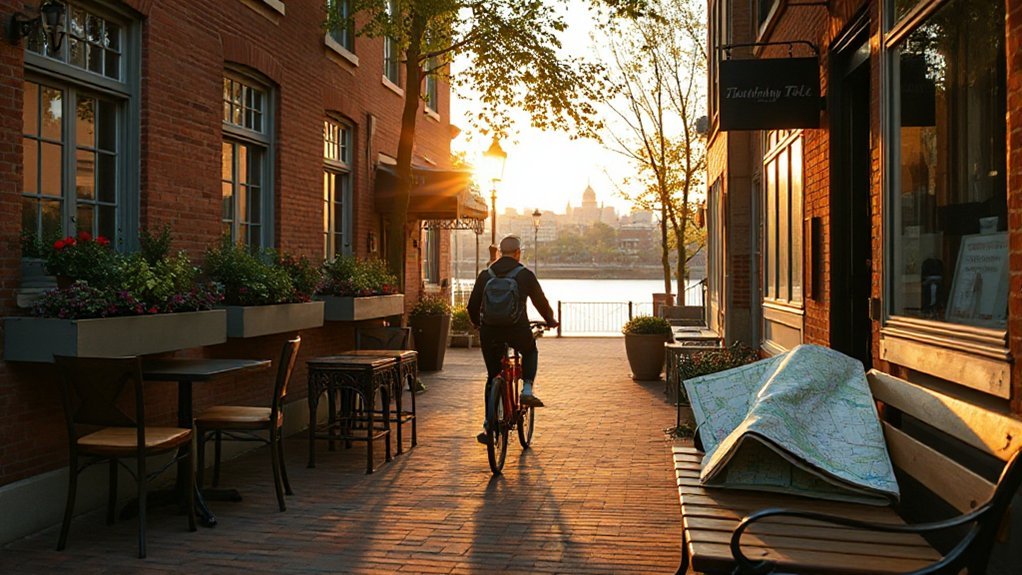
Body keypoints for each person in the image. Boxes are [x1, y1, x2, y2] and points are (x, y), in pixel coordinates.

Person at [467, 234, 558, 445]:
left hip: (490, 332)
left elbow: (472, 306)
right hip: (517, 330)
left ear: (499, 252)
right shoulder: (524, 275)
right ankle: (526, 389)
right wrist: (550, 320)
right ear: (518, 253)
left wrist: (478, 323)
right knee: (529, 351)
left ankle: (488, 425)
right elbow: (540, 302)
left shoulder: (485, 275)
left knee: (493, 375)